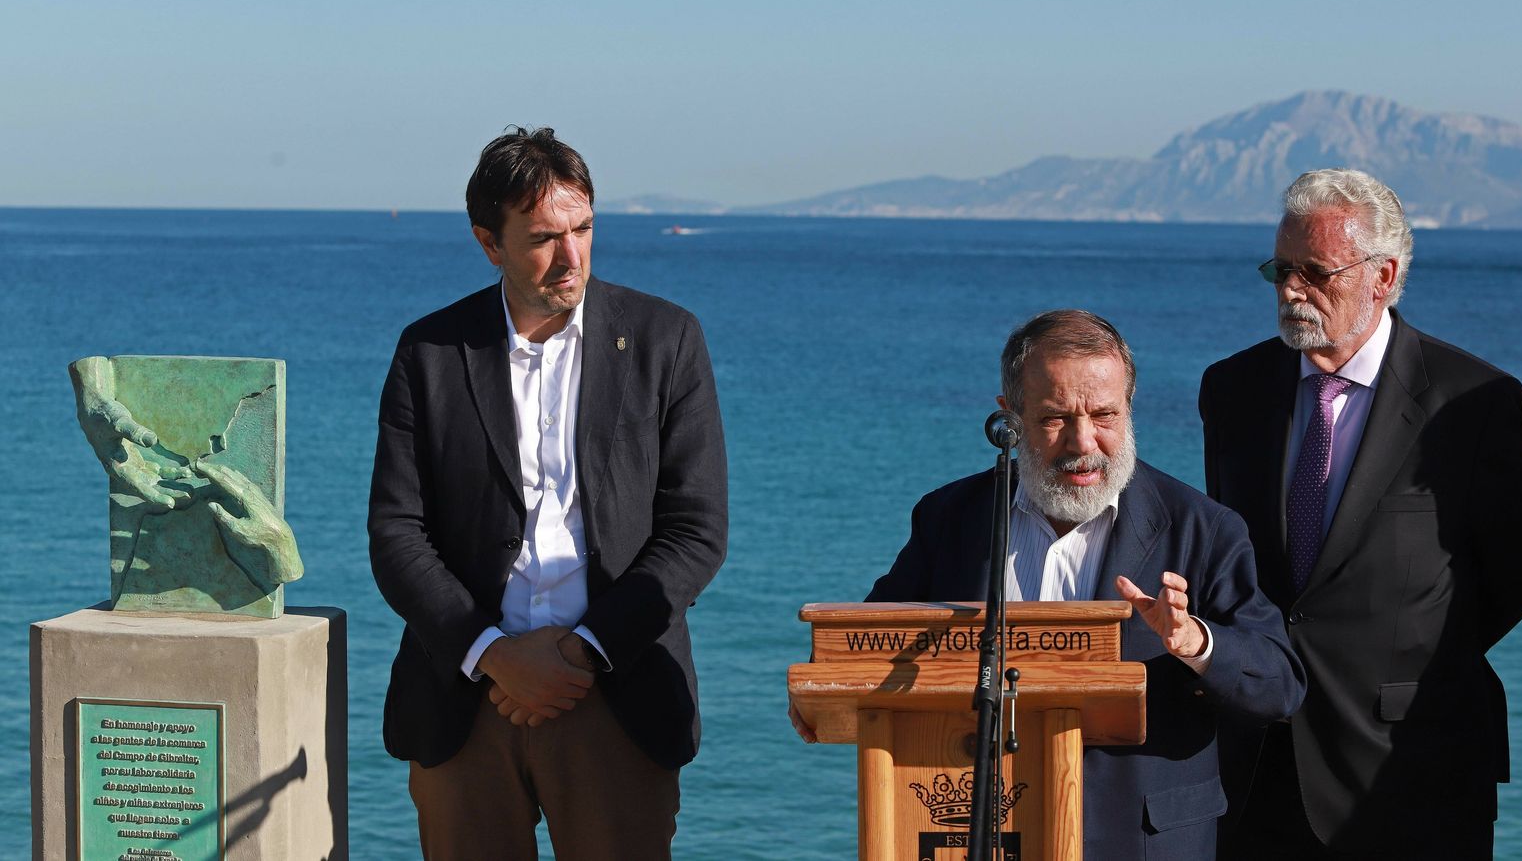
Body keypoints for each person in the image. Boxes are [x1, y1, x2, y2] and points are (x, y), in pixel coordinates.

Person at [797, 310, 1305, 860]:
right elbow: (868, 645)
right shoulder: (951, 518)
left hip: (1142, 840)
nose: (1083, 441)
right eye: (1056, 417)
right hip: (980, 831)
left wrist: (1196, 642)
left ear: (1129, 409)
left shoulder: (1202, 528)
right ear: (1008, 417)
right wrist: (822, 689)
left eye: (1105, 415)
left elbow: (1279, 686)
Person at [368, 127, 728, 860]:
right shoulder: (429, 353)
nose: (571, 257)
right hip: (465, 705)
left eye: (583, 229)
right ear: (488, 242)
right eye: (542, 238)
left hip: (615, 698)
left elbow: (695, 530)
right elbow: (397, 533)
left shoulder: (667, 340)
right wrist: (494, 653)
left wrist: (584, 652)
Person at [1199, 168, 1522, 859]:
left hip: (1411, 766)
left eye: (1314, 272)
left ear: (1384, 276)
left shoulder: (1472, 402)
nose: (1290, 289)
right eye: (1279, 268)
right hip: (1254, 770)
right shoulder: (1232, 390)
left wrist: (1400, 661)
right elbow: (1236, 562)